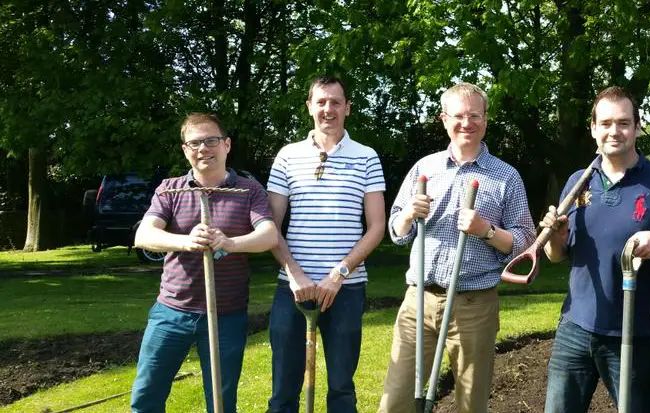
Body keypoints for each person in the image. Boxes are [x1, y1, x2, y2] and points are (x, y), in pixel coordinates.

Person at [539, 86, 650, 412]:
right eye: (605, 123)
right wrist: (556, 235)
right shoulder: (578, 182)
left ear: (638, 126)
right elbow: (556, 256)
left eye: (623, 123)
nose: (614, 131)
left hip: (632, 334)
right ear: (593, 128)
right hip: (574, 328)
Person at [378, 82, 536, 413]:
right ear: (444, 119)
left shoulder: (506, 177)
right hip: (418, 302)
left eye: (474, 115)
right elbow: (396, 231)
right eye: (459, 116)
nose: (467, 123)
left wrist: (486, 230)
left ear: (486, 120)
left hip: (473, 305)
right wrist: (408, 214)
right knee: (396, 400)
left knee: (470, 403)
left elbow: (525, 242)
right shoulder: (424, 168)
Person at [131, 113, 279, 413]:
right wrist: (187, 241)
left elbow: (269, 235)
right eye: (194, 143)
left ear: (226, 145)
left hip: (226, 315)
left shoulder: (249, 191)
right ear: (185, 149)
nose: (203, 149)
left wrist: (229, 243)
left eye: (211, 140)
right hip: (171, 312)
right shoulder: (170, 189)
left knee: (221, 403)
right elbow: (144, 234)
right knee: (147, 394)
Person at [266, 75, 387, 412]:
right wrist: (296, 276)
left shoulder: (366, 156)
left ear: (347, 108)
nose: (328, 109)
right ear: (309, 107)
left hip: (346, 289)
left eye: (335, 102)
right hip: (293, 288)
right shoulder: (288, 156)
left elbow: (377, 227)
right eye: (321, 102)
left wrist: (339, 274)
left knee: (341, 389)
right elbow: (270, 226)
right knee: (283, 391)